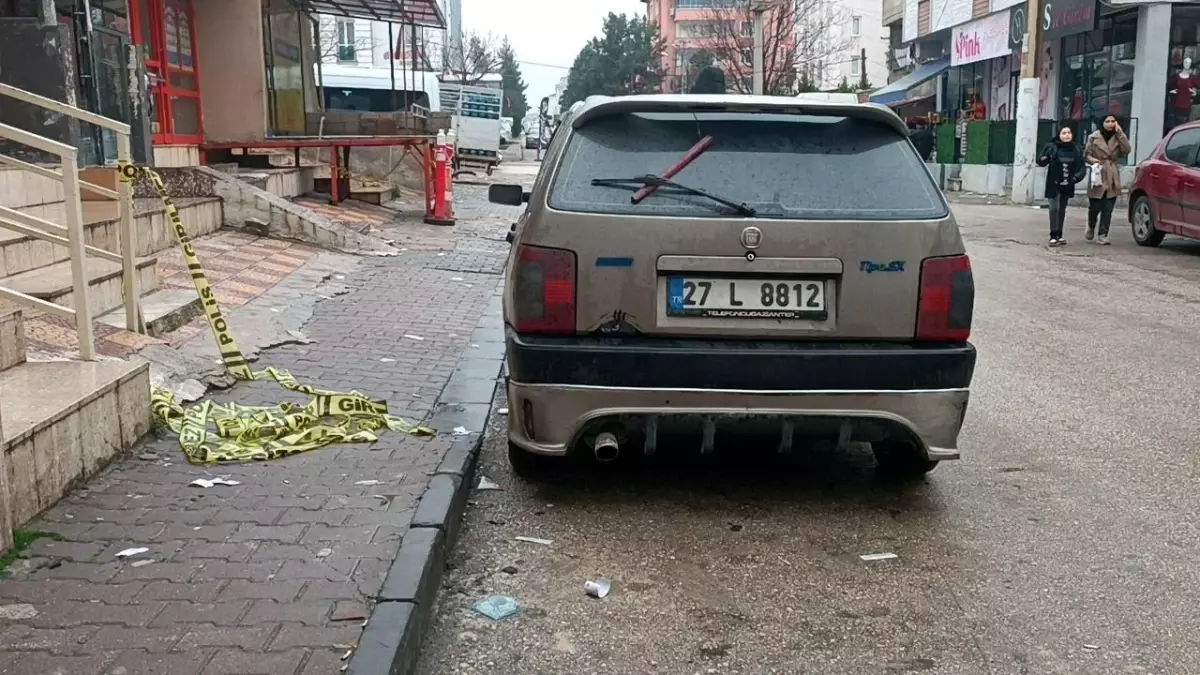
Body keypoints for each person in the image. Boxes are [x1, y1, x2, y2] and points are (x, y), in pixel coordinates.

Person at [1036, 124, 1088, 247]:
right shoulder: (1051, 147)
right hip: (1054, 183)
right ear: (1059, 135)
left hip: (1068, 183)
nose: (1066, 135)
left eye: (1069, 133)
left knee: (1062, 209)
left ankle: (1059, 234)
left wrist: (1075, 178)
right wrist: (1044, 157)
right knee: (1054, 208)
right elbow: (1041, 161)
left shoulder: (1076, 149)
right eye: (1064, 133)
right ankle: (1053, 235)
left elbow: (1082, 167)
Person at [1083, 115, 1132, 245]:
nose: (1110, 124)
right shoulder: (1093, 137)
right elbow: (1087, 155)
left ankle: (1103, 234)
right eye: (1107, 121)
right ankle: (1091, 225)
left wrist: (1120, 132)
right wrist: (1094, 161)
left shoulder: (1118, 136)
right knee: (1095, 206)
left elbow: (1126, 150)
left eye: (1113, 121)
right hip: (1098, 172)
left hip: (1112, 172)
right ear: (1102, 122)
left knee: (1108, 207)